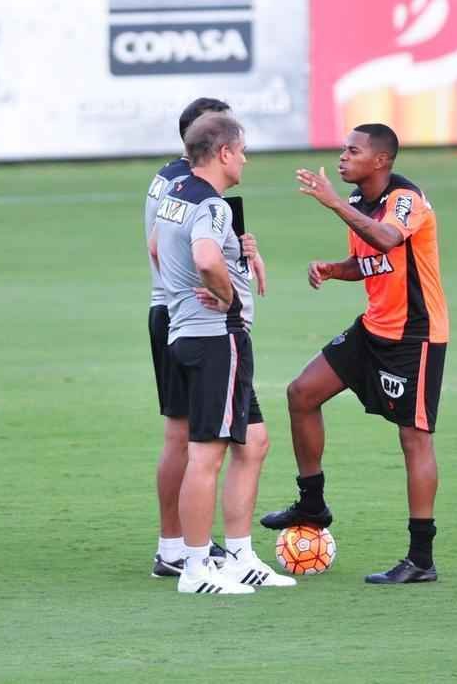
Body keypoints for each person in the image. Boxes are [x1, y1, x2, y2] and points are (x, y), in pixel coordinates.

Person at [261, 123, 449, 585]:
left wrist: (332, 202)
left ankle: (420, 558)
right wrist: (334, 269)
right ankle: (313, 503)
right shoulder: (361, 205)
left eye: (353, 150)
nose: (342, 157)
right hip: (373, 329)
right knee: (302, 393)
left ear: (381, 161)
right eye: (343, 148)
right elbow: (373, 263)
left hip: (414, 337)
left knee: (414, 439)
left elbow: (388, 239)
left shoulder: (405, 199)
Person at [151, 112, 292, 595]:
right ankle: (195, 569)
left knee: (253, 442)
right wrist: (226, 293)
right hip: (217, 339)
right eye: (243, 150)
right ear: (225, 153)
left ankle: (238, 554)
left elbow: (155, 248)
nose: (246, 159)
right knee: (205, 454)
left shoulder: (175, 196)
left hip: (189, 334)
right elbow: (207, 258)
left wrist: (185, 288)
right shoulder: (212, 205)